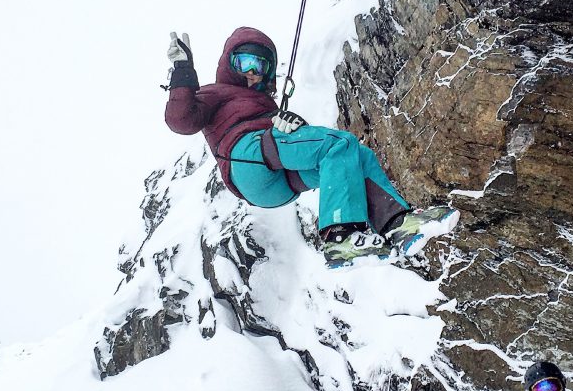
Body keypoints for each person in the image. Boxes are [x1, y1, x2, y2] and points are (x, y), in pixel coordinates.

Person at [164, 26, 451, 265]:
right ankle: (341, 237)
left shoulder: (264, 103)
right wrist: (183, 71)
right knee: (338, 144)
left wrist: (287, 123)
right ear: (228, 64)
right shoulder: (215, 93)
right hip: (246, 157)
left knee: (355, 157)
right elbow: (181, 120)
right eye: (243, 63)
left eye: (259, 66)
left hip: (276, 185)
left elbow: (284, 136)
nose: (251, 72)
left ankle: (396, 223)